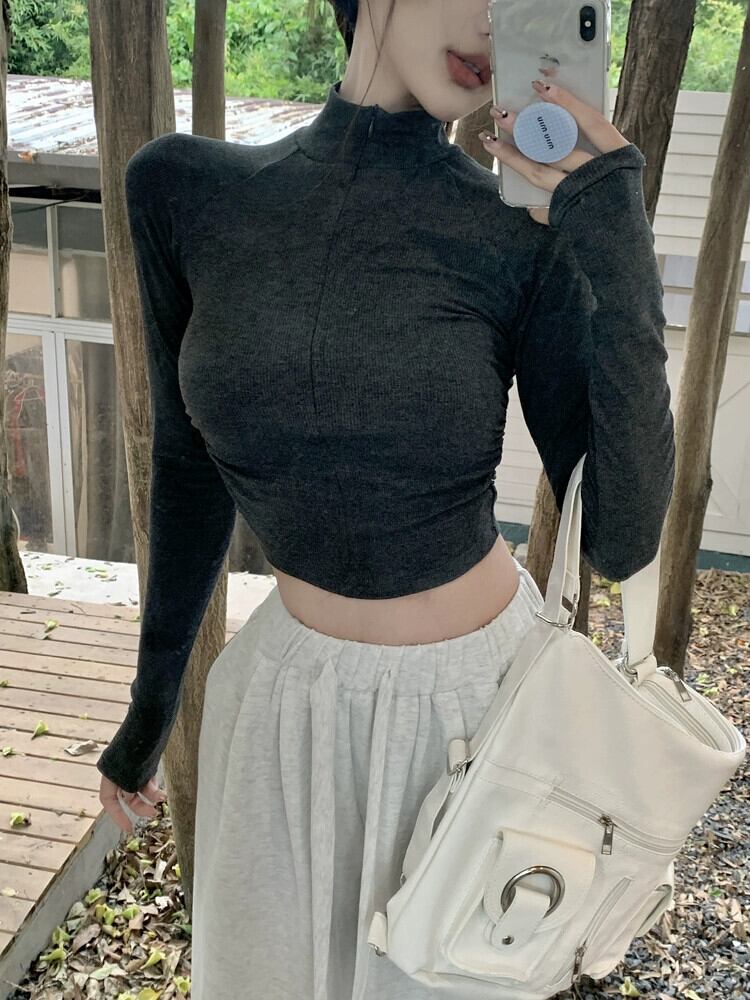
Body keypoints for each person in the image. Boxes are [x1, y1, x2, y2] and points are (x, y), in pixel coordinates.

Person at [97, 0, 675, 996]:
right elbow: (188, 470)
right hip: (275, 705)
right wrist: (149, 712)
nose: (493, 27)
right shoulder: (183, 189)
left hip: (475, 722)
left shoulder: (517, 231)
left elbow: (620, 538)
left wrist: (614, 231)